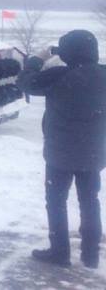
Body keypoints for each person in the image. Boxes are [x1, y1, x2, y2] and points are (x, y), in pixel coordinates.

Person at [18, 29, 106, 268]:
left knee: (56, 201)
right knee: (90, 200)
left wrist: (37, 59)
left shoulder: (58, 75)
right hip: (94, 153)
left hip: (60, 155)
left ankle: (60, 252)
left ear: (68, 52)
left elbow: (25, 82)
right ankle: (90, 254)